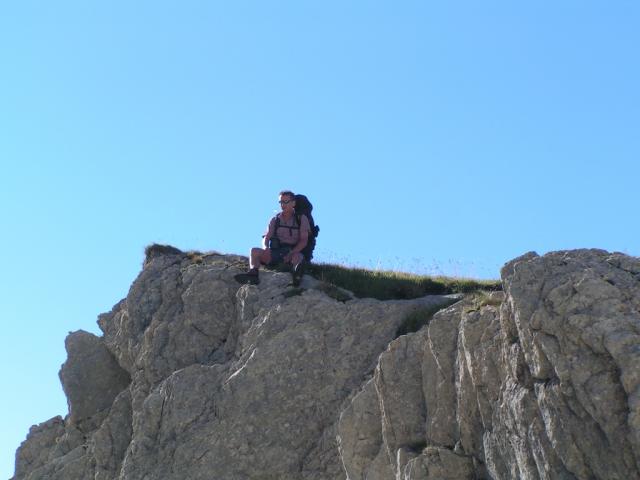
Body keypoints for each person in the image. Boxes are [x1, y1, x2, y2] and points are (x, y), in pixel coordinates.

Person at [234, 190, 311, 286]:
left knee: (298, 257)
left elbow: (304, 241)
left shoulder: (301, 219)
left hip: (292, 252)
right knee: (254, 251)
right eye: (281, 202)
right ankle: (253, 274)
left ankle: (296, 277)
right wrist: (266, 247)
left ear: (293, 203)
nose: (282, 205)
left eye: (286, 202)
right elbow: (266, 237)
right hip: (275, 252)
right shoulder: (275, 219)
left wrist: (292, 253)